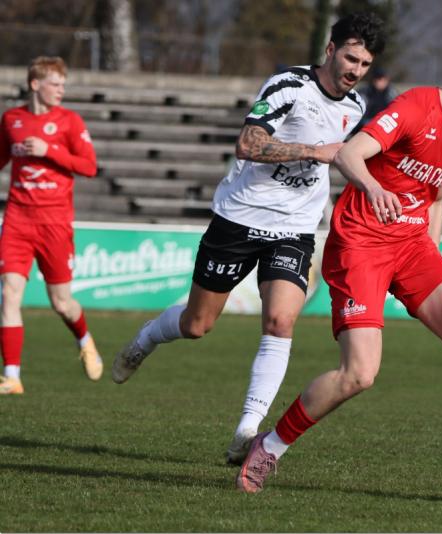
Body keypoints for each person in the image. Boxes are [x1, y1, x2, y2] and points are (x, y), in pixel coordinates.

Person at [235, 35, 442, 499]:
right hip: (361, 244)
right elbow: (349, 153)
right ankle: (270, 446)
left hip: (413, 247)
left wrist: (430, 251)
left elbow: (437, 196)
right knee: (359, 373)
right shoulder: (417, 106)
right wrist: (374, 190)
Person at [111, 13, 385, 464]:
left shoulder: (356, 108)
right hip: (238, 220)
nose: (355, 70)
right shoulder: (288, 86)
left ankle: (247, 430)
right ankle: (145, 340)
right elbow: (249, 143)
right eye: (350, 58)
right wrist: (312, 152)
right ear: (330, 50)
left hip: (294, 228)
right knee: (197, 325)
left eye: (365, 64)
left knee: (280, 321)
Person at [0, 56, 103, 395]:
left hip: (55, 223)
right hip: (17, 219)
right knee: (10, 294)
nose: (61, 90)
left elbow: (89, 167)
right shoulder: (11, 120)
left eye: (62, 84)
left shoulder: (69, 122)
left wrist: (50, 150)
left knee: (61, 302)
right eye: (55, 84)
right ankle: (12, 376)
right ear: (35, 84)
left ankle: (84, 339)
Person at [355, 66, 397, 131]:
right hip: (365, 123)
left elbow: (395, 112)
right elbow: (357, 113)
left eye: (383, 79)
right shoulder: (364, 92)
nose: (380, 81)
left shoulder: (392, 94)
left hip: (385, 123)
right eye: (378, 78)